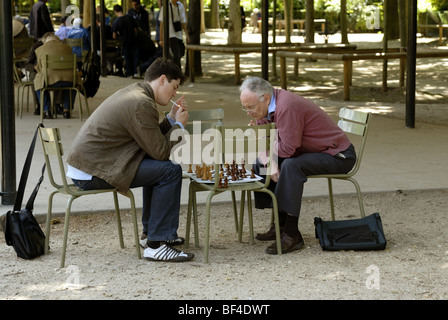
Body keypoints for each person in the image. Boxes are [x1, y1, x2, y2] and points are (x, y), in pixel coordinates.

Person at [66, 57, 194, 263]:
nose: (175, 93)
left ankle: (150, 235)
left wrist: (170, 119)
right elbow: (160, 152)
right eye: (174, 86)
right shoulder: (141, 103)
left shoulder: (136, 93)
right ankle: (157, 244)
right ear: (162, 79)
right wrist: (179, 127)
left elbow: (150, 140)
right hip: (94, 171)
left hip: (89, 166)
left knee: (160, 169)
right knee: (170, 170)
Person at [239, 76, 356, 255]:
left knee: (291, 166)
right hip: (312, 152)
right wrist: (269, 162)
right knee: (260, 163)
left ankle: (292, 235)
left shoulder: (286, 107)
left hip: (337, 155)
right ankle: (279, 225)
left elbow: (288, 148)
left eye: (251, 107)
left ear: (266, 98)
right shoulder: (267, 108)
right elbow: (263, 139)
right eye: (245, 108)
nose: (249, 113)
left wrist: (269, 154)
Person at [34, 32, 81, 119]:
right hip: (70, 81)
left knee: (38, 82)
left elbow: (39, 68)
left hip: (51, 81)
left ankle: (47, 110)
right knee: (70, 79)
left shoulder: (40, 49)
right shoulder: (68, 48)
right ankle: (66, 110)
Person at [158, 0, 189, 69]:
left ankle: (176, 74)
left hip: (179, 35)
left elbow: (183, 22)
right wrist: (161, 39)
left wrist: (186, 34)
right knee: (175, 57)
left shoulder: (180, 6)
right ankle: (177, 74)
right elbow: (162, 24)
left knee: (179, 55)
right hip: (170, 35)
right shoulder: (166, 7)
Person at [112, 4, 140, 78]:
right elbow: (135, 30)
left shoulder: (116, 21)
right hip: (133, 40)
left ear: (115, 11)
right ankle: (136, 72)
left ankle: (129, 73)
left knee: (127, 57)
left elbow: (114, 35)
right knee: (135, 56)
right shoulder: (130, 17)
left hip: (124, 41)